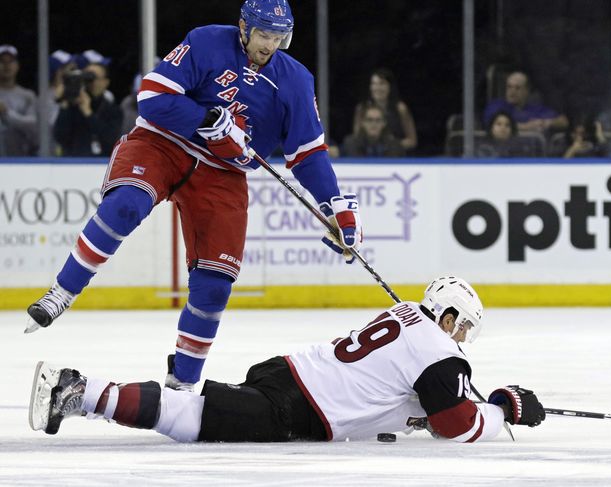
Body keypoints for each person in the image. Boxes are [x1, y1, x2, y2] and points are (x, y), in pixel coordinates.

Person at [25, 0, 364, 395]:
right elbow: (151, 96)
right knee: (126, 204)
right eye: (263, 35)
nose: (269, 45)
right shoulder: (206, 42)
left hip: (223, 174)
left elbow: (307, 154)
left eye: (278, 37)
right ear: (243, 27)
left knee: (216, 284)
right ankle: (63, 291)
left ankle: (181, 385)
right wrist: (206, 119)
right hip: (163, 143)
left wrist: (334, 204)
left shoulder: (296, 80)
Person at [29, 276, 546, 443]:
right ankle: (78, 390)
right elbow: (455, 425)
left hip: (290, 372)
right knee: (192, 418)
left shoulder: (407, 315)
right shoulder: (441, 350)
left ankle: (84, 394)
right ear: (451, 315)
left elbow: (415, 405)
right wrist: (503, 409)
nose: (463, 338)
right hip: (300, 406)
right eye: (464, 326)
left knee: (203, 410)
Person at [53, 50, 123, 156]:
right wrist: (65, 105)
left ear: (105, 82)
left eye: (92, 78)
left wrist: (88, 113)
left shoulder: (113, 110)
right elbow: (60, 138)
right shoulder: (73, 107)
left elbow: (110, 140)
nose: (89, 82)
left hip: (102, 164)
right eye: (86, 77)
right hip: (71, 165)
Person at [352, 67, 417, 152]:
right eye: (374, 84)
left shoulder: (400, 108)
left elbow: (412, 141)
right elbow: (356, 138)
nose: (377, 88)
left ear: (390, 86)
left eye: (382, 83)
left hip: (395, 157)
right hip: (367, 155)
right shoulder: (362, 108)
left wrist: (391, 146)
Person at [482, 71, 568, 135]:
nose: (512, 91)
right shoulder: (496, 106)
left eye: (517, 88)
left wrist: (547, 123)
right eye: (509, 87)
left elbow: (564, 121)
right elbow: (490, 124)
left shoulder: (536, 109)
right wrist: (527, 127)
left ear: (527, 91)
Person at [0, 44, 38, 156]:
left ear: (17, 66)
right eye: (2, 61)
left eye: (10, 61)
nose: (6, 66)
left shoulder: (27, 95)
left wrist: (6, 112)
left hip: (18, 158)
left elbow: (32, 125)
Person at [476, 111, 543, 157]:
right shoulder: (483, 147)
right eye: (498, 124)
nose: (503, 128)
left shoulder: (518, 149)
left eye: (507, 125)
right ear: (491, 127)